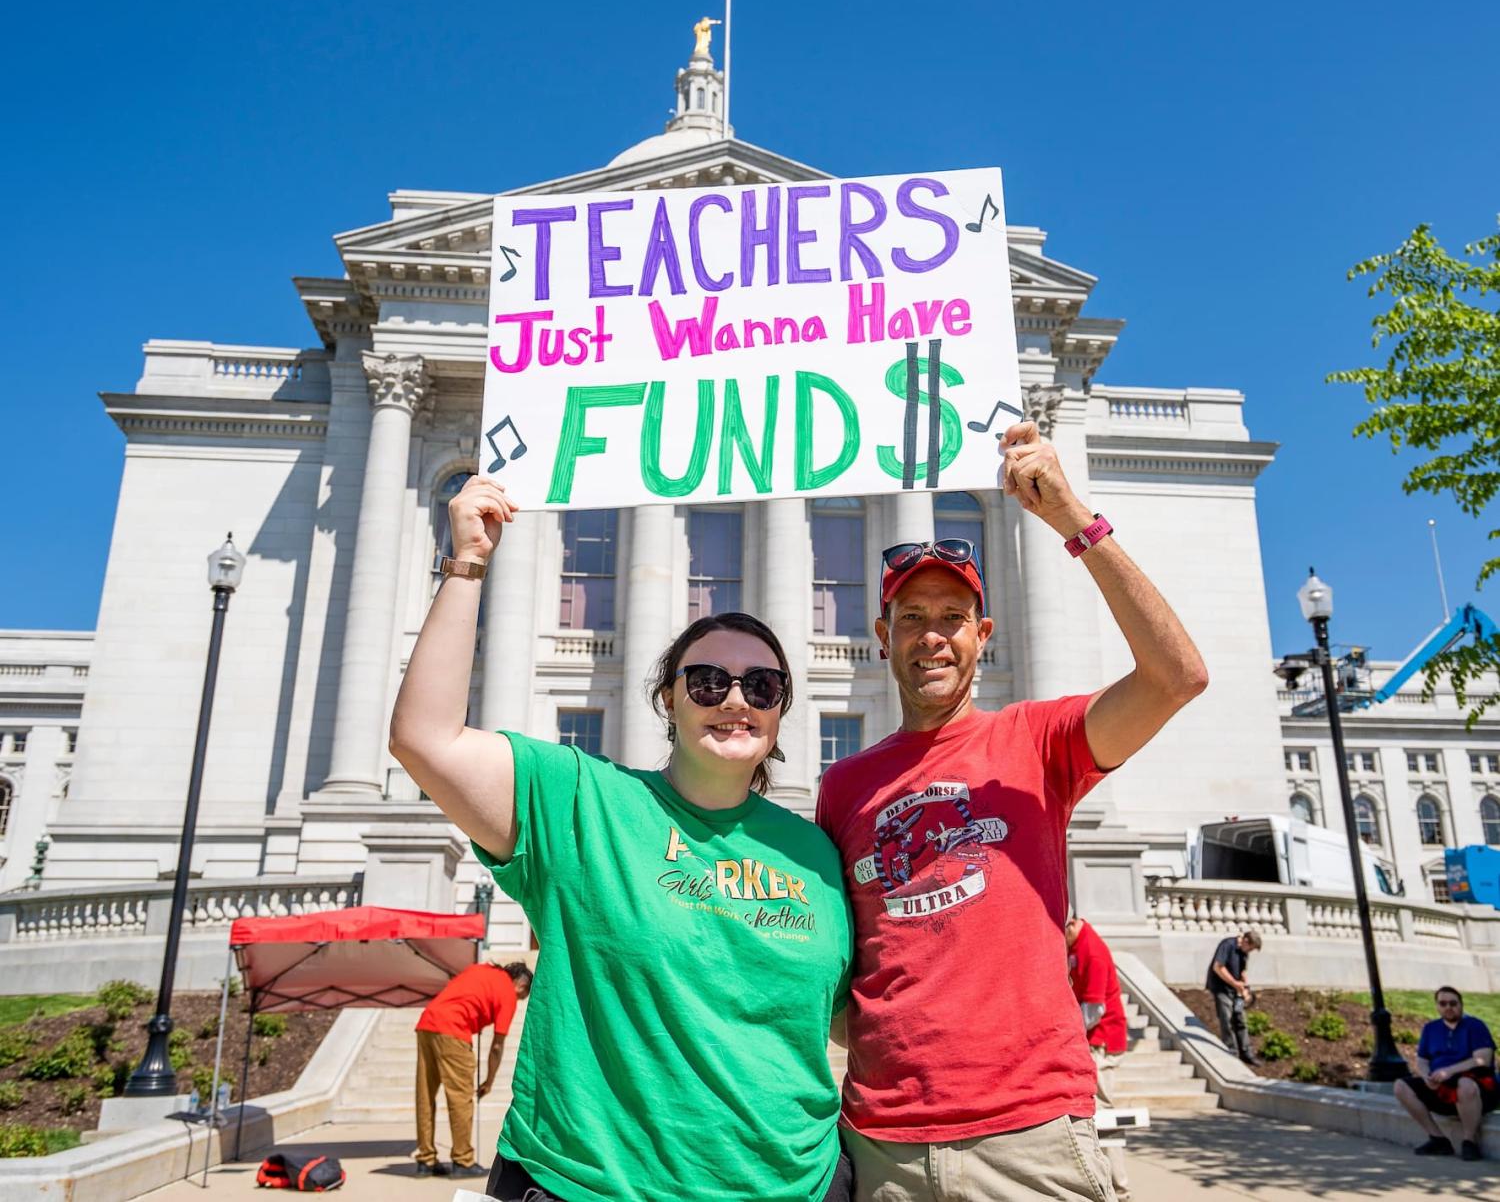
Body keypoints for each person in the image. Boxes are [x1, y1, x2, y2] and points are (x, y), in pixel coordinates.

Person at [389, 476, 853, 1202]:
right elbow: (425, 738)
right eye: (708, 681)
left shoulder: (816, 852)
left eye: (761, 687)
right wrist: (469, 562)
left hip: (797, 1183)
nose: (736, 699)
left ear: (781, 710)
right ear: (667, 697)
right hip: (595, 1185)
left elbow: (851, 1019)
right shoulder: (581, 798)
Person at [816, 419, 1209, 1201]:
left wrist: (1072, 517)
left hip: (1030, 1142)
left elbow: (1177, 676)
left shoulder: (1037, 739)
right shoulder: (843, 786)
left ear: (983, 635)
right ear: (882, 634)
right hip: (885, 1144)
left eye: (953, 617)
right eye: (914, 617)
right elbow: (841, 959)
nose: (934, 637)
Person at [413, 955, 533, 1178]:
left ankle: (426, 1160)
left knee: (425, 1096)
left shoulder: (480, 970)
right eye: (522, 997)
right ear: (521, 984)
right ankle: (462, 1160)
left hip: (427, 1024)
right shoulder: (507, 992)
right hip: (454, 1031)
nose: (518, 1000)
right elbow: (497, 1046)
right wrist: (489, 1081)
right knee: (460, 1099)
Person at [1066, 915, 1130, 1201]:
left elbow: (1095, 1009)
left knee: (1103, 1111)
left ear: (1069, 926)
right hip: (1094, 1039)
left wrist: (1068, 1033)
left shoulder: (1091, 950)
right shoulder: (1077, 945)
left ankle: (1119, 1187)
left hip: (1102, 1041)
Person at [1394, 986, 1496, 1161]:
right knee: (1401, 1086)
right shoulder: (1430, 1029)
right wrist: (1426, 1076)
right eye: (1443, 1003)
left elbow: (1483, 1059)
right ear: (1437, 1006)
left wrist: (1449, 1071)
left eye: (1453, 1003)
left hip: (1476, 1088)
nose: (1448, 1007)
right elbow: (1422, 1060)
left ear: (1461, 1004)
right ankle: (1438, 1140)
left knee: (1464, 1084)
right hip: (1440, 1085)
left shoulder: (1475, 1025)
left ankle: (1469, 1142)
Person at [1205, 930, 1262, 1065]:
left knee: (1240, 1018)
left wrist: (1244, 986)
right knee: (1227, 1018)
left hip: (1236, 991)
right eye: (1251, 948)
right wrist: (1235, 984)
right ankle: (1232, 1051)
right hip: (1221, 989)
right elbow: (1218, 967)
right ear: (1246, 941)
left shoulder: (1244, 953)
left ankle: (1246, 1052)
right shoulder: (1227, 945)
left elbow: (1242, 971)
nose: (1250, 952)